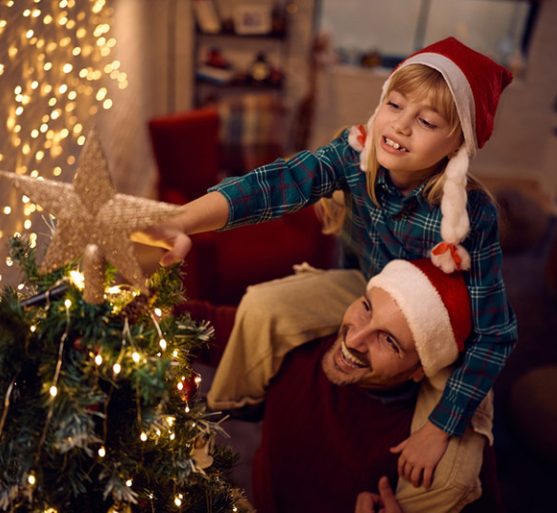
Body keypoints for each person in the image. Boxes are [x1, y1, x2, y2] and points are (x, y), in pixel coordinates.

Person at [134, 37, 517, 487]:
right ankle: (240, 402)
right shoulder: (354, 154)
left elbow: (494, 334)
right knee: (261, 305)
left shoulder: (473, 216)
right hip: (364, 285)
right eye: (395, 105)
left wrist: (440, 427)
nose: (402, 126)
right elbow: (277, 183)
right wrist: (184, 220)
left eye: (428, 121)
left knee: (451, 479)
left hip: (439, 332)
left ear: (458, 143)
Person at [185, 259, 493, 513]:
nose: (354, 340)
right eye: (367, 308)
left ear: (419, 371)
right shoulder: (304, 339)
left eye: (389, 341)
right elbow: (204, 326)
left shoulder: (425, 453)